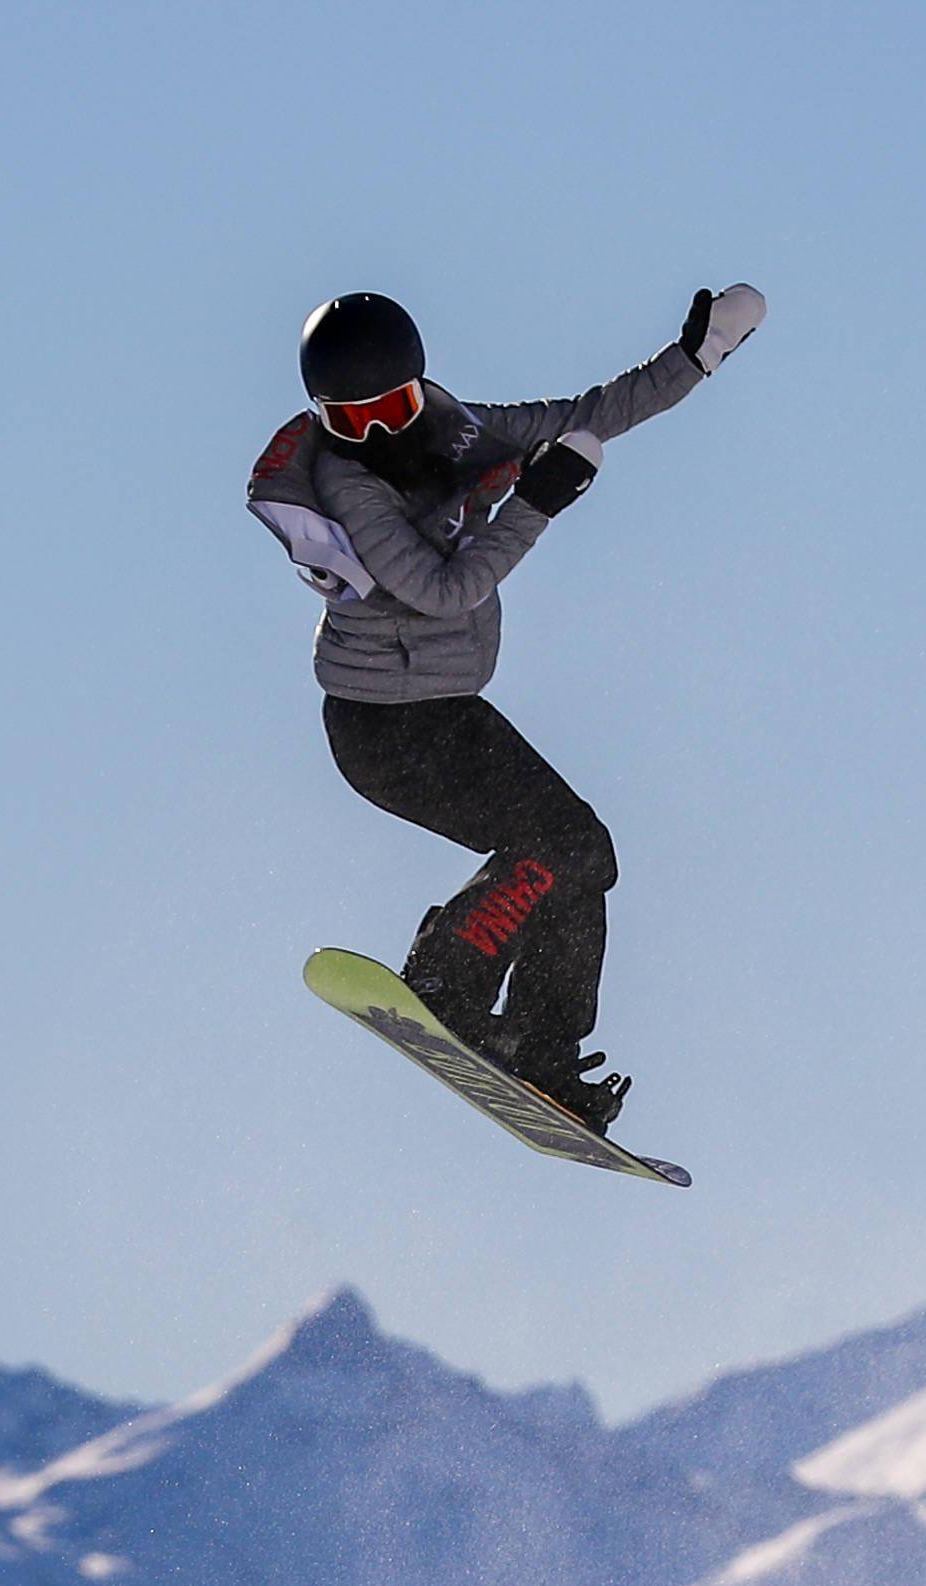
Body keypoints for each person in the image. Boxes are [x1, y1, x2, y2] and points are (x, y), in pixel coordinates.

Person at [248, 283, 764, 1130]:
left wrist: (694, 360)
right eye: (351, 419)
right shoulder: (351, 491)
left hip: (441, 710)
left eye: (392, 407)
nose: (376, 434)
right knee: (550, 842)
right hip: (382, 729)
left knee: (583, 852)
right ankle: (448, 975)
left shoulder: (453, 431)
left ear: (420, 390)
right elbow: (446, 590)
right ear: (324, 421)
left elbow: (588, 412)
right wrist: (537, 502)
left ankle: (540, 1044)